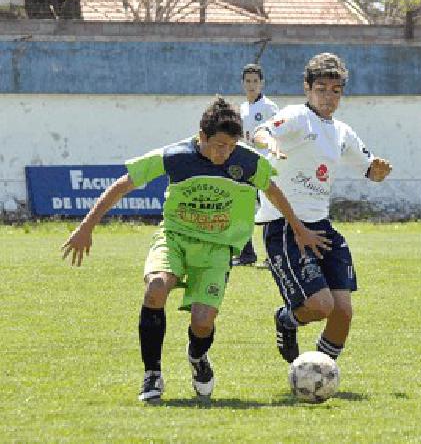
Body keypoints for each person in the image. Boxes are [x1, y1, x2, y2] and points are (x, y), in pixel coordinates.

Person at [61, 98, 327, 404]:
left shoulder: (248, 162)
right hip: (175, 238)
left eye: (229, 146)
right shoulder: (176, 156)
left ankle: (198, 357)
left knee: (202, 322)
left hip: (217, 248)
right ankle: (152, 373)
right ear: (201, 136)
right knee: (156, 288)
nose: (223, 152)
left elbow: (272, 190)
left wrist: (299, 228)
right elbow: (124, 184)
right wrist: (86, 227)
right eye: (217, 145)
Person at [252, 52, 392, 364]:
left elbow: (369, 168)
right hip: (286, 226)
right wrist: (270, 143)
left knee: (342, 313)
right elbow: (260, 132)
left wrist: (378, 171)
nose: (328, 97)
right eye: (321, 89)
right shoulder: (297, 117)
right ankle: (286, 320)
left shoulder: (342, 131)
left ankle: (319, 370)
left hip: (322, 226)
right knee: (319, 306)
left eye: (335, 91)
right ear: (307, 88)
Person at [234, 63, 279, 267]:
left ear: (262, 83)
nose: (251, 85)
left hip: (265, 164)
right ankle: (246, 253)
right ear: (243, 84)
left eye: (255, 81)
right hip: (246, 164)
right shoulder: (242, 108)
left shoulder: (269, 108)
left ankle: (275, 255)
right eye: (248, 81)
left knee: (271, 210)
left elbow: (279, 135)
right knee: (242, 208)